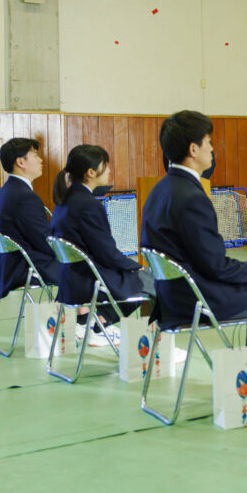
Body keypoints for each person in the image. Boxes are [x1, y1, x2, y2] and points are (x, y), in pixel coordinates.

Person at [140, 110, 247, 407]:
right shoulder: (192, 197)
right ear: (193, 149)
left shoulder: (159, 190)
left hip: (173, 297)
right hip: (202, 299)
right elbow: (216, 266)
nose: (212, 149)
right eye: (209, 142)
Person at [50, 144, 158, 348]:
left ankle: (94, 321)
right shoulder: (89, 204)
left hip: (72, 277)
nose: (109, 170)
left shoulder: (64, 200)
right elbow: (107, 253)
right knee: (155, 282)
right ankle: (102, 322)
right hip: (91, 278)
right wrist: (136, 266)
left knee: (145, 277)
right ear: (91, 172)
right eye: (106, 166)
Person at [0, 138, 62, 299]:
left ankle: (87, 318)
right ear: (21, 162)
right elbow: (44, 241)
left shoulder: (4, 192)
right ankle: (90, 319)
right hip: (30, 267)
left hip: (12, 266)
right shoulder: (24, 197)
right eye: (35, 155)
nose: (40, 160)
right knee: (91, 270)